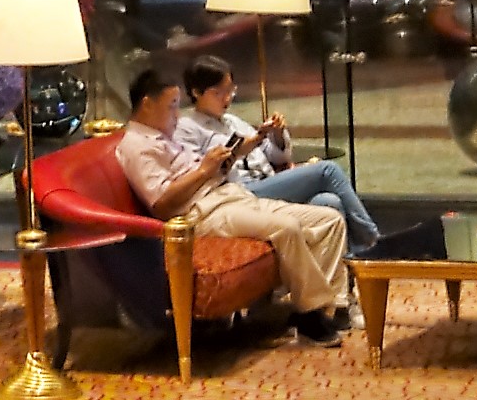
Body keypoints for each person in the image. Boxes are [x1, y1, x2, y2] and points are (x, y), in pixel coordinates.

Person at [118, 65, 351, 340]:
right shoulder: (137, 146)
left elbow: (201, 172)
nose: (177, 114)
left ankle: (332, 307)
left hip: (230, 195)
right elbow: (161, 205)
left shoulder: (164, 136)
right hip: (202, 214)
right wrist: (204, 170)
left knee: (329, 220)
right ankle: (310, 311)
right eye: (172, 106)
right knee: (286, 227)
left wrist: (223, 162)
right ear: (147, 104)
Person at [172, 53, 380, 253]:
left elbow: (276, 157)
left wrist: (277, 134)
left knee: (328, 201)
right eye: (218, 92)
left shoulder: (232, 121)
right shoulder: (187, 128)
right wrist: (244, 146)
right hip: (237, 193)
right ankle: (373, 242)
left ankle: (349, 266)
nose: (227, 98)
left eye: (230, 90)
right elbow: (201, 176)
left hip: (268, 182)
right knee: (328, 170)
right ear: (196, 92)